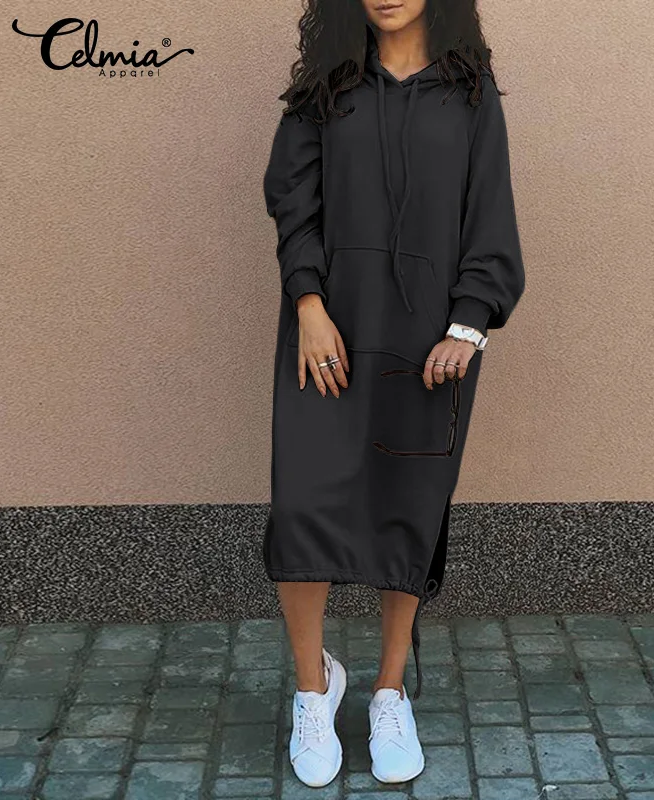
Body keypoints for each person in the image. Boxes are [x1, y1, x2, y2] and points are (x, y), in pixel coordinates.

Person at [263, 0, 525, 787]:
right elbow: (292, 201)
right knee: (303, 508)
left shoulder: (470, 92)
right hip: (327, 338)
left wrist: (470, 323)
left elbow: (490, 214)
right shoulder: (326, 86)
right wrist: (308, 305)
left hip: (426, 348)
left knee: (406, 511)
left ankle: (388, 691)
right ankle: (312, 691)